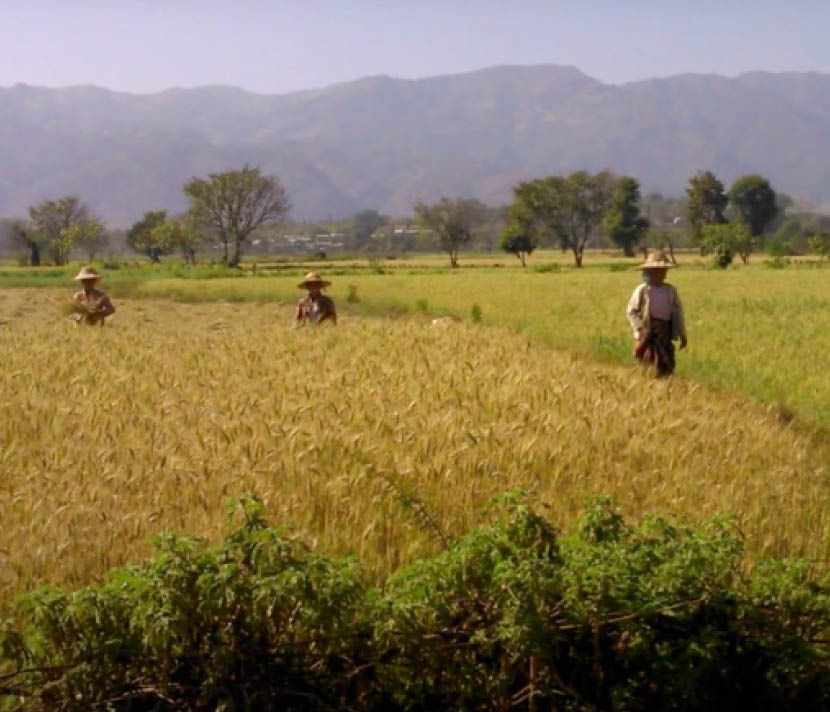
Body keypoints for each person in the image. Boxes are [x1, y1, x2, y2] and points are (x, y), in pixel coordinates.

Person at [626, 250, 687, 376]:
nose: (661, 273)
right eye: (657, 271)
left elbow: (678, 313)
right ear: (649, 272)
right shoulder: (642, 290)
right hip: (648, 330)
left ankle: (666, 379)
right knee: (646, 357)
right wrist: (640, 327)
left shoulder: (670, 290)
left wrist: (682, 334)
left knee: (666, 360)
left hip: (664, 331)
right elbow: (631, 311)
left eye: (663, 270)